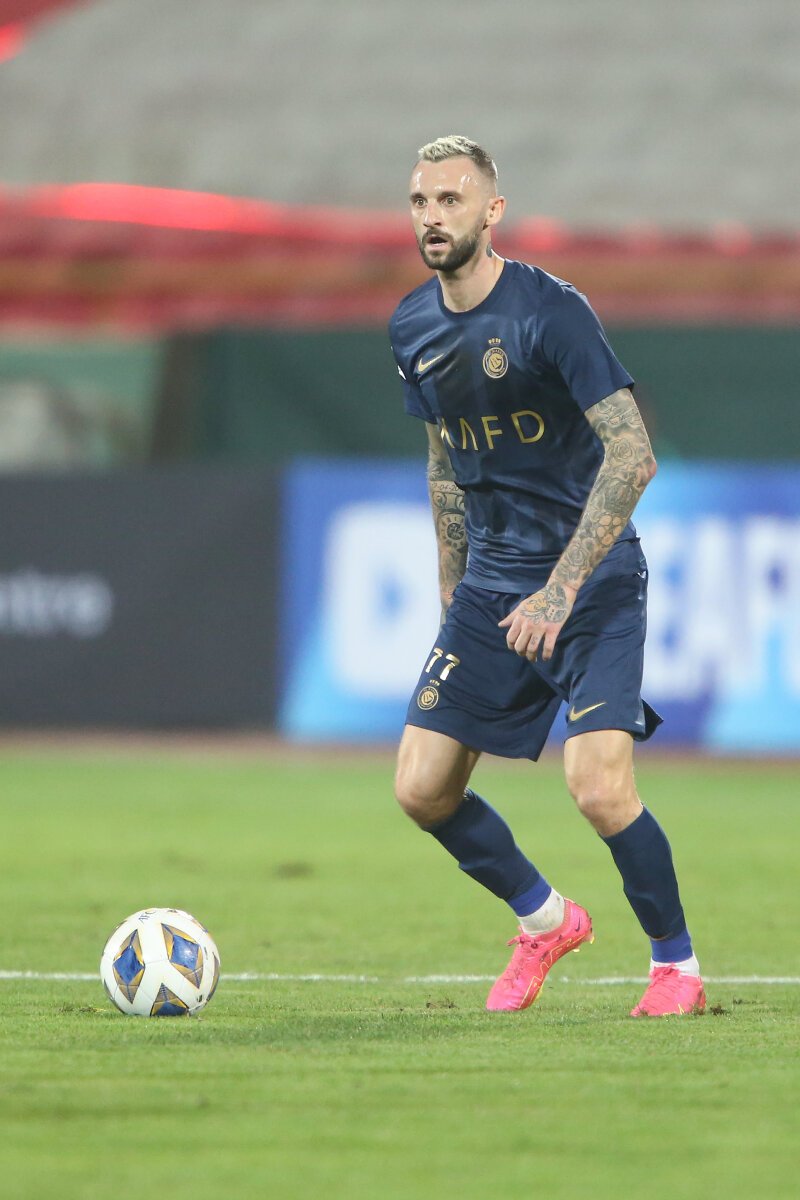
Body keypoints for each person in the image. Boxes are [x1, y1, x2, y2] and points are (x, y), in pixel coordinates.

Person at [389, 135, 705, 1018]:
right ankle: (546, 920)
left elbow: (633, 456)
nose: (432, 217)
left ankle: (676, 968)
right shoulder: (411, 326)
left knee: (598, 787)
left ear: (493, 211)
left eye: (451, 200)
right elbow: (445, 461)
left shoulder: (551, 313)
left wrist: (559, 590)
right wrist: (452, 581)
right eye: (420, 201)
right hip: (491, 587)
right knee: (421, 787)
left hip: (590, 585)